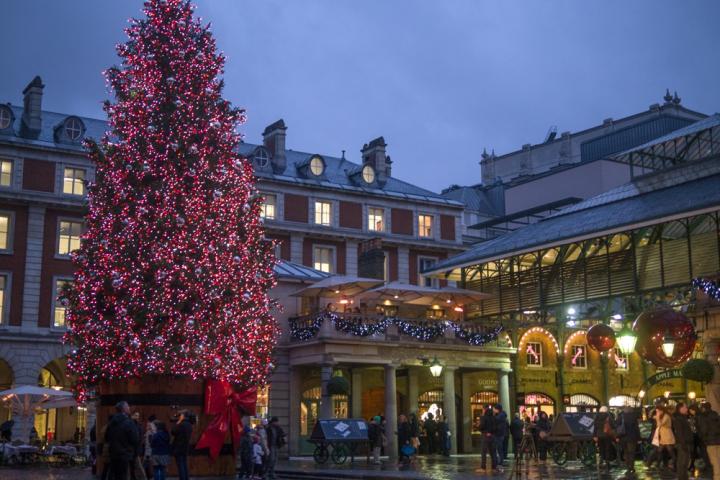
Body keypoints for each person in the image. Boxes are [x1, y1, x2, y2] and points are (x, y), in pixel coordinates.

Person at [105, 401, 141, 480]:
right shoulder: (129, 423)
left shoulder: (111, 423)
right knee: (125, 476)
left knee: (115, 476)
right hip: (126, 455)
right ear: (124, 409)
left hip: (113, 454)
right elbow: (135, 439)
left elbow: (106, 437)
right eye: (128, 406)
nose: (129, 408)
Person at [646, 405, 675, 471]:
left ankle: (674, 464)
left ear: (661, 410)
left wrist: (657, 417)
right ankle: (658, 464)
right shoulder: (661, 416)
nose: (657, 412)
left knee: (670, 450)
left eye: (658, 411)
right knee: (660, 450)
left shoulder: (666, 416)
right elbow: (651, 418)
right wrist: (654, 414)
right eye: (657, 411)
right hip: (662, 435)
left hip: (667, 435)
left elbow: (659, 424)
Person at [696, 402, 720, 480]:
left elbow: (703, 430)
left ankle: (717, 477)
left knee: (714, 461)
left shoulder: (703, 416)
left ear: (703, 408)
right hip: (718, 440)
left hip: (710, 442)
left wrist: (704, 439)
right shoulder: (716, 414)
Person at [617, 406, 641, 478]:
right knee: (632, 452)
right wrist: (638, 437)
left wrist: (617, 437)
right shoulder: (634, 417)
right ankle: (632, 467)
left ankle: (628, 466)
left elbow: (617, 427)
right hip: (632, 438)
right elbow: (637, 428)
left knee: (626, 452)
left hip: (623, 438)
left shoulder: (620, 416)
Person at [673, 402, 693, 480]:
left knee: (685, 461)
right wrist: (683, 443)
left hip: (685, 442)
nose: (687, 409)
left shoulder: (683, 417)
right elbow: (679, 432)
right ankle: (682, 477)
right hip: (682, 443)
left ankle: (684, 477)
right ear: (680, 408)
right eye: (685, 407)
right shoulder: (678, 418)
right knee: (682, 461)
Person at [171, 410, 193, 480]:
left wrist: (178, 422)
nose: (179, 416)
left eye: (180, 415)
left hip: (179, 448)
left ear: (183, 416)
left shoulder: (181, 424)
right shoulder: (189, 424)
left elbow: (173, 431)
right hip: (185, 448)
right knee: (184, 465)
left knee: (180, 466)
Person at [593, 406, 616, 471]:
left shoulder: (597, 416)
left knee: (601, 448)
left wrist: (594, 436)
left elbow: (595, 427)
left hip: (599, 435)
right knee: (607, 449)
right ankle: (607, 463)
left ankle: (601, 462)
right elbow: (613, 425)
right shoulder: (608, 416)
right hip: (607, 435)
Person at [493, 404, 508, 468]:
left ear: (497, 409)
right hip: (500, 434)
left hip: (499, 434)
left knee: (499, 448)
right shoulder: (500, 415)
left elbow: (496, 421)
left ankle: (500, 462)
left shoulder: (501, 415)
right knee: (499, 448)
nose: (493, 410)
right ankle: (500, 461)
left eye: (494, 409)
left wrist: (493, 415)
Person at [144, 415, 157, 479]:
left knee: (148, 463)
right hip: (150, 449)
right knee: (148, 463)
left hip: (149, 449)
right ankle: (149, 475)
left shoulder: (150, 429)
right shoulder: (154, 428)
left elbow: (150, 441)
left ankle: (149, 476)